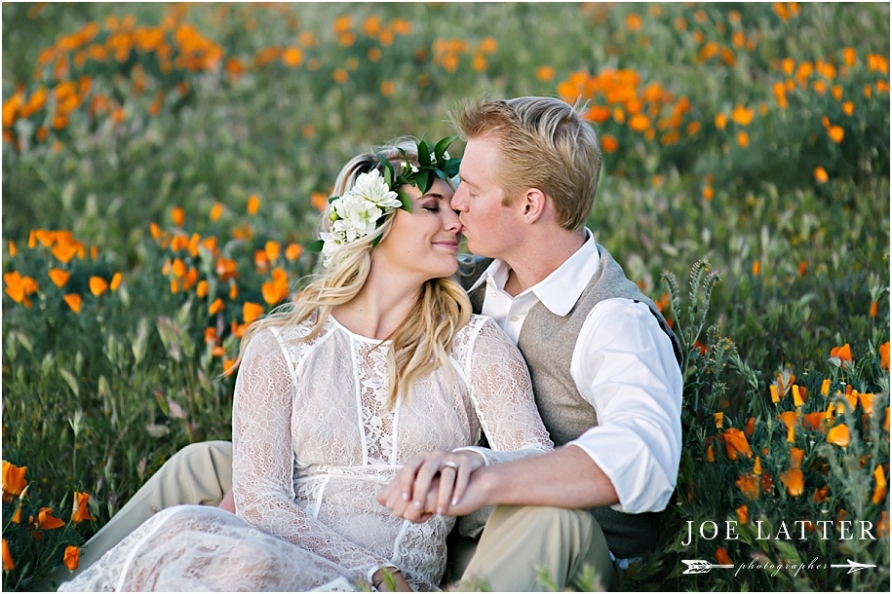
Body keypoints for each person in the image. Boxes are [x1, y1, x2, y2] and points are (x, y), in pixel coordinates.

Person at [55, 138, 553, 592]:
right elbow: (261, 500)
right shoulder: (282, 348)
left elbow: (533, 462)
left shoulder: (474, 344)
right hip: (291, 560)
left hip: (401, 583)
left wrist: (463, 485)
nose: (456, 222)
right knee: (213, 546)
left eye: (455, 207)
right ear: (375, 226)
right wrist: (369, 571)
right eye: (431, 207)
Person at [378, 96, 683, 591]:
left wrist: (486, 475)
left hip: (570, 560)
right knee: (211, 463)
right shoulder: (470, 283)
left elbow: (645, 454)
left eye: (472, 191)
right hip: (451, 543)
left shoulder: (613, 320)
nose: (456, 203)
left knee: (551, 519)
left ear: (529, 204)